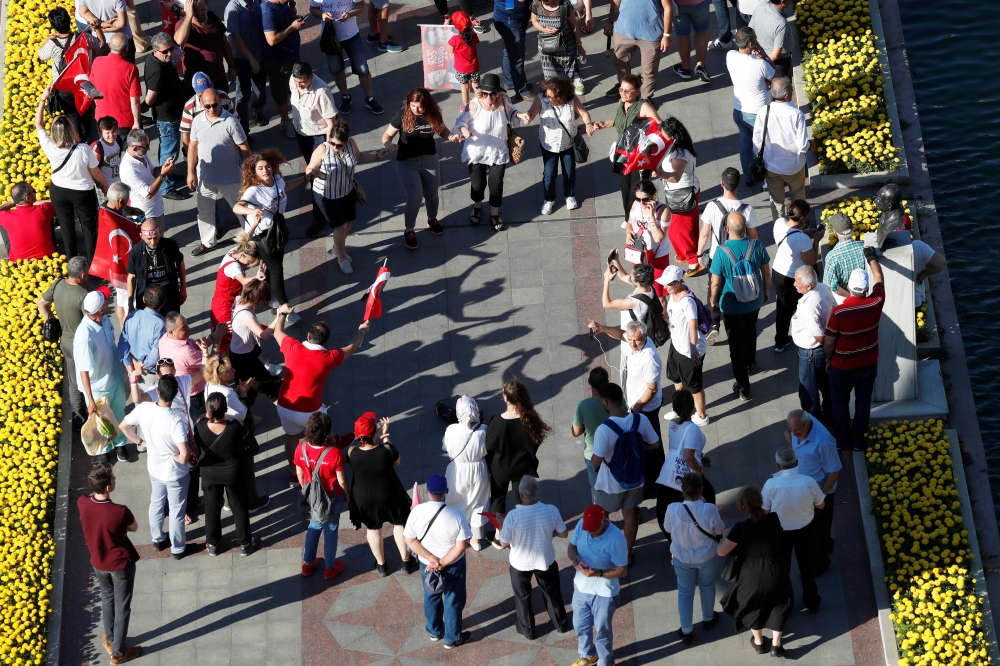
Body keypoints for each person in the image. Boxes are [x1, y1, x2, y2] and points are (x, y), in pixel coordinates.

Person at [275, 311, 369, 486]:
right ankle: (333, 448)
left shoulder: (291, 345)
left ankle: (294, 475)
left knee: (291, 437)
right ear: (326, 342)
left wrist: (281, 313)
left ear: (308, 335)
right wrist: (362, 331)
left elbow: (277, 332)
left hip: (285, 405)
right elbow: (351, 348)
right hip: (309, 412)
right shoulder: (328, 357)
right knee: (324, 435)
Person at [120, 374, 193, 558]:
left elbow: (123, 426)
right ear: (176, 393)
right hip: (175, 473)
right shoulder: (175, 421)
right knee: (177, 510)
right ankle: (178, 548)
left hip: (154, 469)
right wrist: (180, 460)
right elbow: (184, 454)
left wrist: (140, 442)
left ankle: (158, 539)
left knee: (156, 503)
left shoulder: (144, 409)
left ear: (158, 392)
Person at [77, 464, 142, 664]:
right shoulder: (119, 511)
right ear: (108, 487)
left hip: (98, 563)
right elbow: (135, 527)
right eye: (113, 479)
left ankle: (111, 638)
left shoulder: (82, 502)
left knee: (108, 598)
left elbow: (90, 497)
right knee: (122, 606)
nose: (115, 481)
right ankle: (119, 652)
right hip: (120, 564)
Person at [718, 485, 793, 657]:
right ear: (761, 501)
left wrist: (726, 535)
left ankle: (759, 643)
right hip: (776, 572)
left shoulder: (741, 528)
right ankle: (776, 645)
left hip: (752, 576)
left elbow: (721, 551)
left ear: (743, 506)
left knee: (752, 605)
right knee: (779, 604)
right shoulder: (774, 519)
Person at [305, 120, 388, 271]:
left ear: (346, 141)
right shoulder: (323, 149)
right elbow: (309, 167)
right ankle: (342, 256)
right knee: (341, 226)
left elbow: (359, 156)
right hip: (326, 194)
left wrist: (377, 156)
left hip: (346, 190)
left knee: (349, 223)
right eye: (332, 143)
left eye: (339, 145)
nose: (335, 147)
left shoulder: (351, 143)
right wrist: (312, 173)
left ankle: (337, 248)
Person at [35, 87, 107, 260]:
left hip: (59, 191)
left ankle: (72, 262)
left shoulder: (50, 147)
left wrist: (44, 99)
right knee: (88, 227)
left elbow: (38, 124)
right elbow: (95, 172)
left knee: (67, 228)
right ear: (70, 129)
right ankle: (92, 262)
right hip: (82, 192)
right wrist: (105, 186)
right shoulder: (83, 149)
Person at [402, 473, 473, 649]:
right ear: (446, 491)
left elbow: (409, 540)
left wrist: (431, 559)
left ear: (427, 492)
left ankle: (434, 631)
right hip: (453, 564)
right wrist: (442, 562)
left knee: (431, 595)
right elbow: (461, 546)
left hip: (427, 565)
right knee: (453, 599)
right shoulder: (456, 515)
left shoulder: (417, 512)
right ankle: (452, 638)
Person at [824, 249, 885, 452]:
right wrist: (872, 259)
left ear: (849, 286)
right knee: (863, 403)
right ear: (866, 288)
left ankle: (843, 443)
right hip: (868, 364)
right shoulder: (876, 301)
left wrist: (828, 360)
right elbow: (878, 277)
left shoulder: (839, 312)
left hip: (842, 367)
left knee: (840, 404)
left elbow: (830, 343)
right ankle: (858, 442)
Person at [591, 381, 659, 560]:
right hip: (635, 478)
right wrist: (635, 450)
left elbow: (596, 462)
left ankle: (603, 552)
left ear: (605, 402)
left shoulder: (604, 430)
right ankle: (627, 555)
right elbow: (655, 443)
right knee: (630, 516)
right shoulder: (640, 419)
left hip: (610, 483)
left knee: (601, 516)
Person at [496, 476, 572, 639]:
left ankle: (528, 630)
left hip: (519, 564)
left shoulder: (513, 516)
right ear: (537, 493)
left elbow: (503, 542)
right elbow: (564, 533)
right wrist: (550, 532)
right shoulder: (551, 510)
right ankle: (560, 624)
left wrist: (501, 523)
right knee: (552, 594)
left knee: (522, 598)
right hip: (545, 560)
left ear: (521, 495)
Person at [232, 150, 305, 313]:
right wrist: (252, 212)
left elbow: (284, 189)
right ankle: (284, 307)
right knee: (277, 269)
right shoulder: (253, 190)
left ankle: (267, 294)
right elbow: (236, 207)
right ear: (254, 172)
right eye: (261, 168)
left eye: (268, 166)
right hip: (261, 235)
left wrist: (305, 178)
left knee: (274, 267)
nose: (266, 170)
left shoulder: (277, 180)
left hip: (277, 230)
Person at [709, 212, 770, 401]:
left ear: (727, 229)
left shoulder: (721, 251)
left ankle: (743, 387)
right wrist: (766, 291)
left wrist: (713, 302)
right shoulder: (757, 245)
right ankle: (751, 363)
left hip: (731, 306)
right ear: (745, 228)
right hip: (754, 301)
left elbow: (715, 283)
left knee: (735, 344)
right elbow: (766, 273)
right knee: (751, 330)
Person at [380, 88, 452, 249]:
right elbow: (386, 136)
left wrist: (451, 136)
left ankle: (432, 219)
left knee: (432, 195)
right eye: (413, 106)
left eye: (419, 106)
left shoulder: (433, 114)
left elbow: (442, 131)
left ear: (427, 104)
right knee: (415, 198)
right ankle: (409, 229)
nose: (416, 110)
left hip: (429, 159)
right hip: (407, 162)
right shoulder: (401, 115)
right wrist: (388, 145)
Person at [347, 413, 418, 575]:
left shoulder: (351, 452)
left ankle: (382, 565)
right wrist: (385, 437)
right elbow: (396, 460)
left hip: (364, 498)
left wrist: (373, 437)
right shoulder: (385, 450)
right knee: (398, 524)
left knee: (373, 528)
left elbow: (363, 448)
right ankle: (406, 561)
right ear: (374, 434)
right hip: (389, 494)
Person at [485, 379, 552, 543]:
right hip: (522, 467)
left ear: (506, 399)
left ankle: (499, 535)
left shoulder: (497, 422)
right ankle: (519, 530)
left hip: (499, 468)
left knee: (498, 499)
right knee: (519, 500)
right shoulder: (530, 419)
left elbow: (489, 446)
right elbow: (536, 442)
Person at [452, 74, 521, 232]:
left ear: (498, 93)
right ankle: (477, 206)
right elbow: (460, 121)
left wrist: (520, 115)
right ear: (481, 92)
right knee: (478, 184)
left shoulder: (504, 101)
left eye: (492, 94)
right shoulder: (474, 104)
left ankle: (494, 213)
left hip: (498, 150)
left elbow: (512, 113)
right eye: (485, 93)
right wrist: (464, 129)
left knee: (496, 185)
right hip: (477, 151)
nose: (489, 96)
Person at [187, 88, 252, 255]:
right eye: (207, 106)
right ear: (201, 103)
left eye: (214, 105)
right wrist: (190, 172)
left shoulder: (230, 122)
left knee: (242, 210)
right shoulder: (197, 121)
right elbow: (193, 146)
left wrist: (248, 172)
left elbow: (244, 148)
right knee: (205, 212)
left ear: (221, 102)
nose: (211, 109)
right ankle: (208, 242)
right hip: (205, 177)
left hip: (230, 178)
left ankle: (252, 240)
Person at [761, 447, 826, 613]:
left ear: (778, 466)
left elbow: (765, 511)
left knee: (783, 569)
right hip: (806, 530)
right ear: (797, 462)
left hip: (780, 533)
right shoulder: (809, 482)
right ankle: (812, 601)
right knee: (807, 568)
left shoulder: (770, 485)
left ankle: (785, 604)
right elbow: (821, 505)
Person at [517, 76, 594, 214]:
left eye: (552, 97)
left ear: (561, 95)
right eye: (548, 96)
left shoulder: (571, 99)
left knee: (569, 172)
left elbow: (583, 112)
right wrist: (527, 117)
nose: (549, 99)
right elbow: (531, 113)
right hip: (549, 144)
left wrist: (588, 124)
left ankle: (569, 195)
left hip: (568, 143)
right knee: (549, 173)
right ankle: (549, 199)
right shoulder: (541, 98)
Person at [195, 392, 260, 556]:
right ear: (225, 409)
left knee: (212, 508)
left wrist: (203, 417)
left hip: (209, 474)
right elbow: (250, 443)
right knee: (239, 506)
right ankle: (245, 543)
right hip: (233, 473)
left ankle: (212, 543)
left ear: (208, 410)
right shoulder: (235, 427)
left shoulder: (200, 427)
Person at [662, 472, 722, 645]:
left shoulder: (672, 508)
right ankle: (708, 618)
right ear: (701, 489)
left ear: (682, 490)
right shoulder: (709, 508)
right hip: (707, 556)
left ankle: (686, 630)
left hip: (681, 557)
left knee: (685, 592)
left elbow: (667, 527)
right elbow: (719, 529)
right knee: (708, 585)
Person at [591, 74, 663, 213]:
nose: (623, 93)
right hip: (623, 153)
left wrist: (655, 156)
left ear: (637, 92)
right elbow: (619, 121)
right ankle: (628, 218)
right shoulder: (621, 103)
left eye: (627, 91)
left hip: (639, 156)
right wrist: (604, 124)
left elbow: (660, 126)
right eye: (621, 90)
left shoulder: (643, 106)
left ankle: (645, 216)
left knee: (639, 190)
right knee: (625, 189)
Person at [567, 504, 628, 666]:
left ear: (603, 521)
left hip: (604, 594)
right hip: (580, 588)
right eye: (588, 528)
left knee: (602, 632)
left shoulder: (616, 539)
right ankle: (588, 655)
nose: (589, 532)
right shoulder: (582, 524)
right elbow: (571, 547)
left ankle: (606, 662)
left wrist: (599, 573)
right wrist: (574, 559)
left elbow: (622, 570)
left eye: (593, 528)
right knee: (580, 626)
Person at [75, 291, 130, 462]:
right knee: (102, 422)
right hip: (98, 387)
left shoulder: (104, 319)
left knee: (119, 412)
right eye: (105, 301)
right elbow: (83, 371)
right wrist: (90, 400)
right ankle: (104, 450)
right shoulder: (84, 336)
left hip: (114, 377)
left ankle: (120, 443)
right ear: (100, 310)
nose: (108, 301)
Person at [784, 409, 840, 574]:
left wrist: (821, 495)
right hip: (807, 488)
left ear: (807, 425)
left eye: (797, 431)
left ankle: (820, 563)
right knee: (821, 525)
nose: (793, 434)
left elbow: (835, 470)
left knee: (817, 530)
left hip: (821, 492)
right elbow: (788, 434)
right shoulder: (798, 428)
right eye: (791, 430)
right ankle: (827, 544)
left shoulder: (824, 442)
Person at [38, 256, 93, 423]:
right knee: (84, 381)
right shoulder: (83, 295)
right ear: (82, 275)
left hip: (66, 343)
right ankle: (85, 414)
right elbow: (92, 323)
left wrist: (53, 322)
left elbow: (41, 303)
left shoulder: (57, 284)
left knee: (73, 380)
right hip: (81, 347)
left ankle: (78, 414)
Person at [295, 412, 350, 579]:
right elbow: (342, 480)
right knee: (331, 529)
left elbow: (299, 474)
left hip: (313, 496)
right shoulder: (334, 453)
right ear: (327, 432)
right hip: (333, 498)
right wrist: (348, 495)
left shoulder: (301, 448)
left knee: (314, 525)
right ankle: (329, 568)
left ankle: (307, 564)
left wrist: (307, 489)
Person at [38, 7, 106, 140]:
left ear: (54, 26)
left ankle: (77, 140)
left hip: (63, 87)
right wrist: (97, 28)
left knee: (72, 117)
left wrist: (48, 39)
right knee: (85, 115)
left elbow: (41, 55)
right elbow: (101, 45)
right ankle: (86, 138)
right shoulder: (82, 37)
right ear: (70, 21)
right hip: (82, 85)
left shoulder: (52, 44)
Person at [655, 389, 716, 535]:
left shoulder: (672, 424)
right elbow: (688, 457)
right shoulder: (693, 428)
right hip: (687, 475)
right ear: (692, 407)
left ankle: (673, 542)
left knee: (664, 509)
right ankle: (708, 530)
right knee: (709, 496)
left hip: (669, 473)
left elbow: (681, 446)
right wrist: (699, 471)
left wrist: (701, 455)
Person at [752, 77, 813, 220]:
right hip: (794, 167)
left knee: (776, 201)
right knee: (798, 197)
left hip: (771, 167)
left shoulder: (763, 111)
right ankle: (799, 224)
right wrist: (812, 145)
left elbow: (756, 142)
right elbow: (803, 145)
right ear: (787, 96)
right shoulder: (796, 114)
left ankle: (779, 228)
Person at [310, 0, 385, 116]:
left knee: (363, 70)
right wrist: (322, 15)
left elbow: (361, 5)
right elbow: (313, 9)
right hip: (330, 37)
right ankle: (345, 96)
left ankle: (369, 98)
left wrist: (350, 14)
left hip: (352, 35)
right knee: (336, 70)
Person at [144, 33, 191, 200]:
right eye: (165, 51)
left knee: (167, 148)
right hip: (167, 117)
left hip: (171, 114)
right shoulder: (156, 69)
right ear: (155, 51)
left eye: (171, 49)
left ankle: (167, 176)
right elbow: (150, 99)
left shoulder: (160, 60)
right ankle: (166, 187)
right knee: (169, 152)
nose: (170, 54)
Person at [659, 266, 709, 422]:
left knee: (694, 385)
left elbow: (693, 324)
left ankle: (702, 416)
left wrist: (693, 349)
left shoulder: (687, 301)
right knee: (675, 378)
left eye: (668, 284)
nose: (664, 287)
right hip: (676, 345)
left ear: (679, 281)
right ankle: (679, 408)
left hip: (689, 351)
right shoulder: (675, 293)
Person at [771, 199, 821, 352]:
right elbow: (810, 262)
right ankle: (805, 337)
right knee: (803, 306)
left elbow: (790, 233)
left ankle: (780, 342)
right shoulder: (802, 239)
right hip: (795, 278)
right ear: (804, 218)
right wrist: (816, 240)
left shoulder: (779, 223)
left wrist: (805, 232)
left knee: (783, 307)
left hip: (778, 273)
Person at [442, 396, 490, 551]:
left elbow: (445, 447)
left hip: (457, 471)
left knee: (454, 502)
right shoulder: (483, 430)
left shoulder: (451, 430)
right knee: (478, 504)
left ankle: (457, 535)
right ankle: (476, 540)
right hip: (479, 471)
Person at [656, 118, 702, 276]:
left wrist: (659, 173)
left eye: (663, 135)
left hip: (681, 195)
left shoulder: (679, 153)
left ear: (672, 136)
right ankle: (690, 253)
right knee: (690, 225)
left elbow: (675, 176)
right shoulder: (681, 146)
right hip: (690, 190)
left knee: (677, 230)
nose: (661, 137)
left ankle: (693, 261)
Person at [727, 28, 774, 184]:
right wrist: (764, 57)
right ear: (751, 43)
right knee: (764, 146)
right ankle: (766, 181)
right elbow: (778, 79)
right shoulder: (760, 64)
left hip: (739, 110)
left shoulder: (730, 56)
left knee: (745, 143)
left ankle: (748, 176)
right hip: (758, 113)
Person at [228, 280, 284, 406]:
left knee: (248, 388)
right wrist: (279, 316)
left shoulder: (239, 299)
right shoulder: (247, 316)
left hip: (240, 353)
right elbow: (263, 335)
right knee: (269, 385)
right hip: (244, 359)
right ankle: (287, 411)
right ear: (260, 300)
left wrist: (258, 278)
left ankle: (246, 414)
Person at [791, 265, 835, 422]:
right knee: (825, 384)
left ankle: (814, 422)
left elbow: (820, 337)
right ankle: (830, 415)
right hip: (819, 353)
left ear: (808, 286)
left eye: (797, 282)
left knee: (808, 391)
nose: (794, 284)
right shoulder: (822, 287)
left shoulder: (810, 306)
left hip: (810, 352)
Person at [604, 0, 672, 100]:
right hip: (623, 31)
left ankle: (645, 98)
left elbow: (668, 7)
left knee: (649, 71)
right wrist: (610, 21)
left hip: (651, 34)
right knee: (620, 63)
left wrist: (666, 35)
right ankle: (624, 87)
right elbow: (616, 1)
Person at [209, 231, 264, 352]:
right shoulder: (233, 267)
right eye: (249, 262)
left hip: (224, 302)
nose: (249, 264)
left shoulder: (236, 251)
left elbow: (246, 241)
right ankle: (223, 364)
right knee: (227, 338)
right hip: (224, 307)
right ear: (242, 256)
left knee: (227, 336)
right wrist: (257, 276)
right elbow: (244, 281)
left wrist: (254, 225)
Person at [261, 0, 305, 135]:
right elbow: (271, 40)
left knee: (298, 86)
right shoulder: (267, 10)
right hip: (279, 62)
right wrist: (292, 27)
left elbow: (288, 18)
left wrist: (294, 16)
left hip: (292, 56)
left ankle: (300, 117)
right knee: (281, 93)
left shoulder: (282, 3)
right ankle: (285, 122)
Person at [620, 181, 670, 299]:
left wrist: (652, 216)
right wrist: (628, 232)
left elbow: (658, 238)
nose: (642, 203)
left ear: (653, 196)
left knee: (659, 293)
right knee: (642, 286)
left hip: (658, 255)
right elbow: (629, 224)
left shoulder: (663, 210)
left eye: (645, 199)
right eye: (638, 199)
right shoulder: (635, 205)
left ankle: (662, 316)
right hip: (640, 253)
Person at [126, 218, 186, 316]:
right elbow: (131, 277)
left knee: (171, 324)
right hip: (147, 298)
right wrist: (130, 305)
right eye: (149, 239)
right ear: (141, 236)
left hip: (169, 295)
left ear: (160, 233)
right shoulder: (136, 252)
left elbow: (180, 262)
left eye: (156, 237)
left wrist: (183, 288)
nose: (153, 242)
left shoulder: (170, 245)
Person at [224, 0, 268, 132]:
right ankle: (242, 128)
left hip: (259, 54)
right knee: (243, 94)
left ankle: (257, 110)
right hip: (242, 58)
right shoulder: (233, 8)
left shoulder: (257, 2)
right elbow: (235, 37)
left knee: (260, 90)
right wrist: (251, 58)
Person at [119, 130, 174, 233]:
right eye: (146, 146)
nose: (148, 148)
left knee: (159, 242)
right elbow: (148, 194)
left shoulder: (141, 154)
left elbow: (152, 172)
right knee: (151, 244)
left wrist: (163, 168)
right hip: (146, 216)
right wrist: (163, 175)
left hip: (157, 210)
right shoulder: (129, 168)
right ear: (135, 148)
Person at [175, 0, 235, 92]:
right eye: (195, 10)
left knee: (223, 104)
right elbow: (180, 41)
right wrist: (188, 17)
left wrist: (231, 67)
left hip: (218, 77)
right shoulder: (183, 24)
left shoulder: (213, 18)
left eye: (203, 9)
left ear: (207, 6)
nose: (200, 13)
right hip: (197, 83)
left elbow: (224, 43)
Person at [90, 34, 142, 133]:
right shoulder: (131, 68)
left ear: (109, 45)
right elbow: (134, 100)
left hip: (102, 119)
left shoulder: (97, 61)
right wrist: (137, 122)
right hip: (124, 121)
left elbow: (93, 89)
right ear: (126, 49)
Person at [572, 367, 610, 500]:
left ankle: (600, 517)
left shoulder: (582, 406)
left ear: (589, 382)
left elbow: (576, 432)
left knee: (596, 488)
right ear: (607, 382)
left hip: (592, 454)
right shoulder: (616, 401)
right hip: (614, 452)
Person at [289, 61, 338, 162]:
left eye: (301, 82)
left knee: (319, 166)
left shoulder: (322, 92)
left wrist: (328, 148)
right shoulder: (293, 79)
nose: (298, 85)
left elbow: (331, 123)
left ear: (311, 77)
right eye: (295, 81)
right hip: (300, 133)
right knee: (309, 162)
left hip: (317, 138)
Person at [117, 284, 167, 379]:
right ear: (163, 302)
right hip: (150, 374)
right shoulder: (160, 325)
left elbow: (123, 344)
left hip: (132, 371)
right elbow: (155, 355)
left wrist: (131, 367)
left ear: (144, 299)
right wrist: (141, 365)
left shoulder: (132, 315)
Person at [531, 0, 584, 86]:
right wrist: (544, 30)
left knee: (566, 81)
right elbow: (534, 21)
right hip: (546, 51)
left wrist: (579, 46)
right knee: (551, 82)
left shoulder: (564, 5)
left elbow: (574, 26)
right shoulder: (536, 4)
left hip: (566, 49)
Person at [180, 73, 239, 149]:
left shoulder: (224, 97)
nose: (205, 95)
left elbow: (235, 119)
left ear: (212, 85)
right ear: (194, 90)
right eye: (200, 93)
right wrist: (191, 157)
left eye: (215, 105)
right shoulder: (189, 107)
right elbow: (186, 134)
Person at [0, 182, 57, 261]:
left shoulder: (7, 216)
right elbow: (57, 202)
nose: (35, 192)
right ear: (28, 198)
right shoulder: (43, 210)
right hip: (46, 259)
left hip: (18, 261)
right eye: (33, 191)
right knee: (47, 219)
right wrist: (34, 202)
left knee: (3, 223)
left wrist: (10, 204)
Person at [492, 0, 534, 103]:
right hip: (511, 22)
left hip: (505, 18)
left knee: (509, 48)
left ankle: (510, 81)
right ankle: (522, 91)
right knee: (517, 57)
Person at [822, 213, 866, 297]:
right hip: (865, 293)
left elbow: (832, 285)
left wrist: (851, 296)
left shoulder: (832, 256)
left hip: (844, 297)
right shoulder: (864, 246)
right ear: (853, 229)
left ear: (835, 234)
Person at [670, 0, 711, 83]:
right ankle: (700, 66)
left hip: (678, 4)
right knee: (702, 31)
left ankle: (685, 69)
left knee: (682, 34)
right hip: (700, 2)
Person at [748, 0, 792, 77]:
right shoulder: (781, 23)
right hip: (777, 63)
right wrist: (762, 65)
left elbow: (750, 30)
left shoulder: (761, 6)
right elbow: (775, 55)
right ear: (782, 1)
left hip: (762, 57)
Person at [448, 13, 480, 106]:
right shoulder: (474, 36)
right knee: (477, 87)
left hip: (461, 68)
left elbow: (452, 51)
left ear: (455, 26)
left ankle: (466, 107)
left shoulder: (454, 39)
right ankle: (480, 103)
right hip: (474, 66)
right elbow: (476, 43)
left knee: (465, 88)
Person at [90, 118, 123, 198]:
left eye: (114, 131)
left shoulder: (117, 140)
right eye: (107, 132)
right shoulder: (98, 148)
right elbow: (93, 170)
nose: (111, 135)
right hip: (105, 186)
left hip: (118, 182)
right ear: (101, 133)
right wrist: (99, 184)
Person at [912, 239, 946, 308]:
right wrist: (924, 273)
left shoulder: (884, 253)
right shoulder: (917, 246)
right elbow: (940, 263)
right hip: (914, 300)